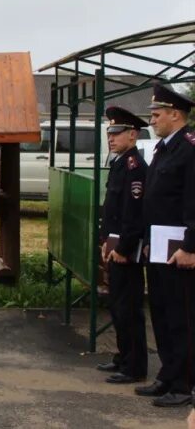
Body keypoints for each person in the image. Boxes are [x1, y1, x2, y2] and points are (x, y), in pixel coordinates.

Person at [135, 83, 195, 407]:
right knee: (159, 312)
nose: (152, 119)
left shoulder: (189, 149)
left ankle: (184, 385)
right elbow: (154, 202)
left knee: (180, 316)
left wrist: (191, 247)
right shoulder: (163, 148)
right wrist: (146, 241)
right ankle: (167, 376)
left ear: (175, 114)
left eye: (157, 114)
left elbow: (192, 204)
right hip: (158, 246)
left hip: (179, 249)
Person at [96, 106, 148, 385]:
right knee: (117, 306)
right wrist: (105, 241)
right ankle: (122, 356)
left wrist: (125, 248)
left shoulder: (135, 167)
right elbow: (112, 210)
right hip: (113, 246)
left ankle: (134, 366)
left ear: (132, 134)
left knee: (129, 308)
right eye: (109, 133)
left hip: (126, 250)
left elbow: (134, 214)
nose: (111, 138)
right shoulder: (118, 163)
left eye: (117, 133)